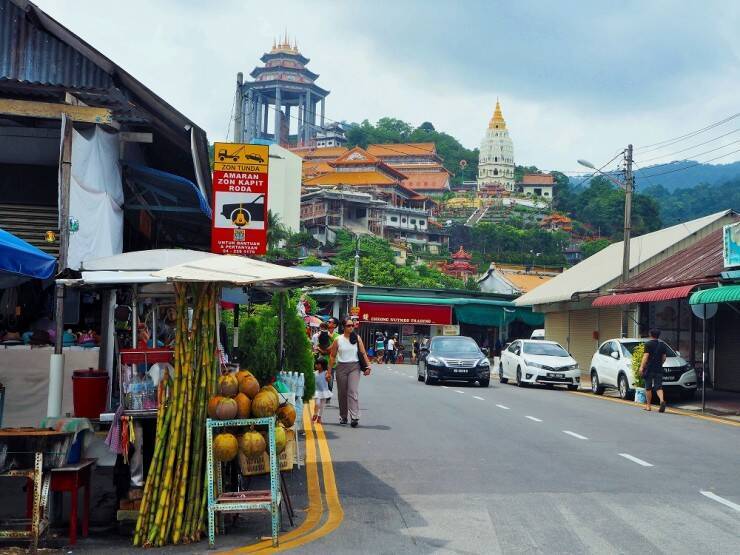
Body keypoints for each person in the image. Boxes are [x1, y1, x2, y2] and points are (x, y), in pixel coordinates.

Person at [329, 317, 371, 427]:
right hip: (341, 367)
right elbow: (332, 356)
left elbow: (363, 353)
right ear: (343, 327)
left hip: (354, 367)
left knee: (352, 391)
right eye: (349, 325)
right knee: (342, 393)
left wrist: (368, 366)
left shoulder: (357, 338)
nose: (351, 327)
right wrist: (329, 372)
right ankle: (343, 416)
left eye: (352, 325)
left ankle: (354, 416)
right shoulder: (338, 340)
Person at [639, 329, 668, 413]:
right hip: (659, 369)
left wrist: (641, 367)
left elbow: (645, 356)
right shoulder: (662, 345)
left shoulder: (648, 344)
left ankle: (648, 406)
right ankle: (662, 400)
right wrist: (660, 364)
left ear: (650, 334)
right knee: (658, 387)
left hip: (649, 369)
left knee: (648, 387)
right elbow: (664, 358)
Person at [312, 357, 332, 423]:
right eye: (316, 364)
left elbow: (329, 379)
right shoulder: (314, 373)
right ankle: (315, 414)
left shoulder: (326, 373)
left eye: (318, 364)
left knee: (322, 405)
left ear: (322, 365)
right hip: (317, 391)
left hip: (324, 391)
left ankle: (319, 417)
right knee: (317, 403)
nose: (316, 365)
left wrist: (328, 377)